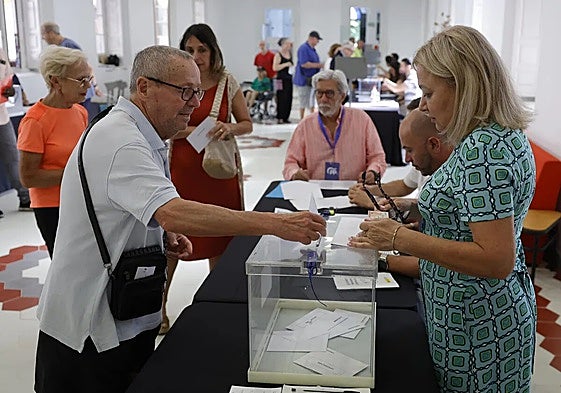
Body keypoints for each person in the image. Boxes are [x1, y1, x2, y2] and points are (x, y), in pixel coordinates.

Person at [34, 45, 326, 393]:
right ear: (143, 87)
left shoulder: (145, 134)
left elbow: (138, 209)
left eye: (198, 92)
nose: (193, 102)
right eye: (184, 91)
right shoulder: (122, 140)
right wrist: (276, 224)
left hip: (124, 312)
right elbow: (172, 209)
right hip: (89, 328)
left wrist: (160, 235)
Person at [350, 25, 536, 391]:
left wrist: (399, 237)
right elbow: (470, 213)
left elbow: (495, 259)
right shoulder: (490, 137)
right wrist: (412, 208)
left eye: (430, 92)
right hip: (471, 315)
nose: (423, 104)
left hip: (480, 325)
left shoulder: (484, 151)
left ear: (463, 86)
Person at [161, 23, 252, 333]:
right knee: (173, 237)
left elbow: (247, 124)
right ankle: (159, 307)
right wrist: (189, 133)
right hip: (184, 170)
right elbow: (164, 125)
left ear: (213, 51)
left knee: (220, 237)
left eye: (202, 50)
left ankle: (219, 303)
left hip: (219, 172)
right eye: (189, 50)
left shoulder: (228, 83)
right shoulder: (174, 83)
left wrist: (229, 128)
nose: (196, 56)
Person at [17, 46, 90, 258]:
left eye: (89, 78)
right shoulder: (35, 121)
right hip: (52, 208)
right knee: (67, 266)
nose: (88, 86)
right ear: (56, 81)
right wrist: (78, 172)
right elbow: (28, 177)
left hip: (81, 199)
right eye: (80, 80)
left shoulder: (79, 112)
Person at [283, 69, 386, 181]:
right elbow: (291, 162)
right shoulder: (305, 125)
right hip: (315, 191)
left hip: (354, 190)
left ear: (342, 96)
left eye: (329, 93)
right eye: (319, 93)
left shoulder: (362, 120)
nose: (323, 99)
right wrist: (294, 173)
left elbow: (377, 157)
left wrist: (372, 172)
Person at [348, 109, 453, 209]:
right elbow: (404, 185)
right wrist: (370, 190)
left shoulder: (453, 177)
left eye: (410, 150)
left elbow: (427, 217)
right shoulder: (426, 163)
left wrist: (372, 203)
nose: (407, 159)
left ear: (433, 145)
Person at [40, 22, 101, 121]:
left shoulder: (68, 46)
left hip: (82, 94)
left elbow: (87, 67)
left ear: (51, 33)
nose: (43, 38)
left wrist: (95, 85)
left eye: (43, 34)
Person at [0, 48, 31, 217]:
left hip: (2, 117)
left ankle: (25, 198)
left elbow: (9, 78)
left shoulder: (1, 53)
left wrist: (10, 91)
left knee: (13, 157)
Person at [293, 31, 324, 120]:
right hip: (304, 79)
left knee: (311, 100)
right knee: (303, 100)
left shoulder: (312, 49)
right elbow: (304, 64)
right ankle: (302, 119)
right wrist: (318, 65)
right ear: (312, 38)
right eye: (317, 40)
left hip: (312, 79)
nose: (318, 42)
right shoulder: (303, 49)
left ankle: (312, 118)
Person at [273, 37, 293, 124]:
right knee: (281, 97)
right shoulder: (278, 55)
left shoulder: (290, 53)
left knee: (288, 97)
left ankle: (286, 116)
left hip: (288, 79)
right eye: (288, 44)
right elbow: (275, 67)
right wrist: (285, 64)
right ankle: (279, 116)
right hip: (280, 79)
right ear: (283, 44)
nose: (290, 46)